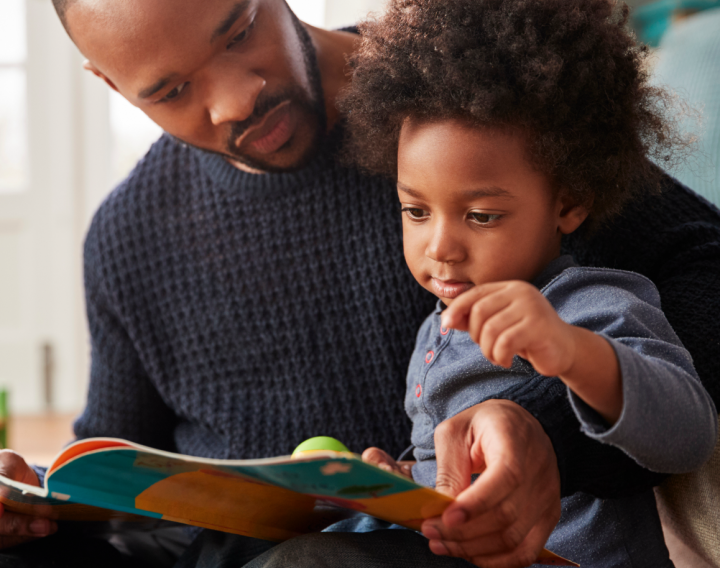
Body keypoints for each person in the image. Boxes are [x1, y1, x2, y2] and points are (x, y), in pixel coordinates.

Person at [0, 0, 719, 566]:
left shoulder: (469, 111)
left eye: (239, 30)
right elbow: (119, 463)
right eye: (171, 90)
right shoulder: (127, 236)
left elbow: (704, 266)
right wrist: (34, 500)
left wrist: (551, 432)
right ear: (108, 80)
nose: (235, 99)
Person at [338, 0, 717, 565]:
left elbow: (687, 433)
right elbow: (454, 480)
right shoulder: (434, 336)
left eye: (482, 216)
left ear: (568, 203)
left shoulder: (591, 304)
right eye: (415, 211)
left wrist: (571, 351)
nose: (439, 246)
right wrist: (400, 480)